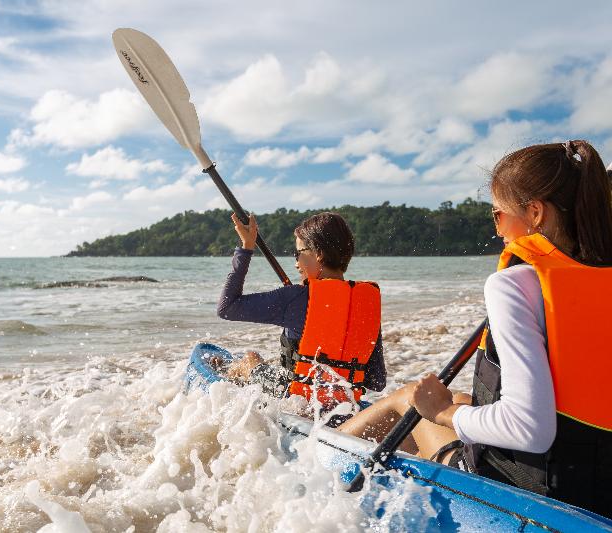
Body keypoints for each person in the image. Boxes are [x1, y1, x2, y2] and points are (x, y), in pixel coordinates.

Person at [338, 140, 612, 516]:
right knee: (465, 400)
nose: (496, 228)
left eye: (498, 214)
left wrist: (441, 414)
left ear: (534, 213)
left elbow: (528, 428)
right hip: (600, 478)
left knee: (411, 400)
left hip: (547, 499)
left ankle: (324, 456)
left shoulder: (516, 285)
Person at [216, 211, 386, 408]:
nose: (296, 263)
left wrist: (246, 248)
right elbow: (377, 381)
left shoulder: (295, 297)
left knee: (250, 359)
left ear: (319, 254)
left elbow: (227, 308)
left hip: (296, 400)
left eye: (298, 253)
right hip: (343, 403)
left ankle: (224, 381)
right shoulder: (365, 303)